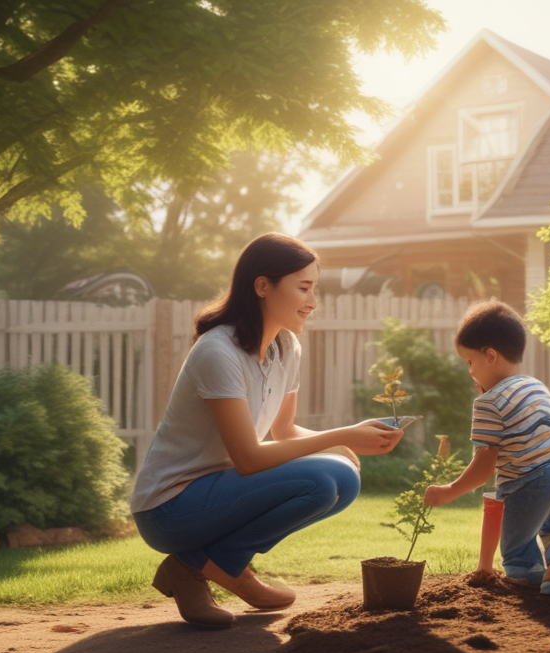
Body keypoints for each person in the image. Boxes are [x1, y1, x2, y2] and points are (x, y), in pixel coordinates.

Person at [131, 233, 404, 628]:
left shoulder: (286, 347)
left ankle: (211, 564)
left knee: (344, 480)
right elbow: (248, 458)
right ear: (262, 286)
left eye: (314, 289)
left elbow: (285, 430)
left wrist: (343, 446)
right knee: (323, 480)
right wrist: (342, 436)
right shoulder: (217, 351)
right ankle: (207, 567)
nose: (313, 301)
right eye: (304, 288)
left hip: (219, 492)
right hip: (169, 507)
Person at [423, 301, 550, 594]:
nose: (469, 371)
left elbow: (485, 463)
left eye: (469, 362)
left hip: (534, 479)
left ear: (490, 356)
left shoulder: (487, 402)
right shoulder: (535, 386)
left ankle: (529, 588)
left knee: (515, 547)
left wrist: (450, 491)